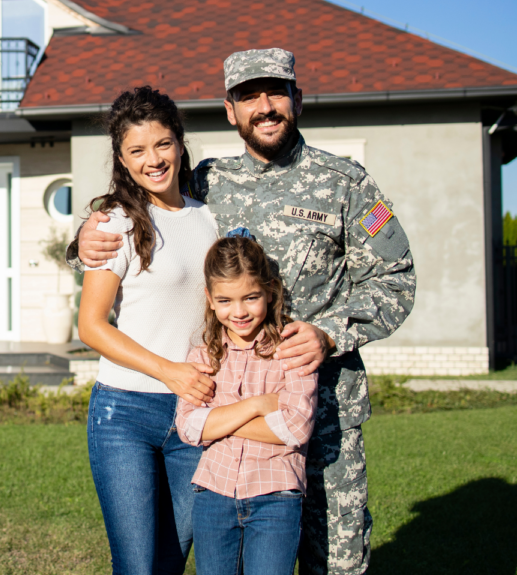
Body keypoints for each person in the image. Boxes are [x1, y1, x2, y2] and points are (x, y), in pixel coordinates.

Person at [70, 48, 416, 575]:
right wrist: (83, 240)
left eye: (276, 92)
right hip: (229, 411)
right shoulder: (207, 184)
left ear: (297, 99)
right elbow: (144, 217)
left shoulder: (346, 183)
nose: (265, 106)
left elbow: (396, 279)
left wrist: (328, 333)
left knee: (338, 563)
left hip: (325, 414)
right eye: (248, 96)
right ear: (230, 111)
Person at [76, 86, 220, 574]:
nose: (152, 159)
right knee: (137, 566)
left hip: (194, 414)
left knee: (170, 561)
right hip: (125, 413)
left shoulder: (211, 217)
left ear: (180, 143)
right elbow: (91, 326)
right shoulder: (115, 222)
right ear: (122, 158)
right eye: (136, 150)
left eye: (162, 144)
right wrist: (169, 371)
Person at [175, 232, 318, 575]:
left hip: (276, 497)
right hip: (214, 495)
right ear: (209, 298)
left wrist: (219, 422)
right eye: (225, 300)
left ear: (270, 290)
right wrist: (258, 405)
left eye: (251, 298)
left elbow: (295, 428)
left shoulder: (291, 352)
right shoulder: (204, 355)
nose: (238, 312)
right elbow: (190, 427)